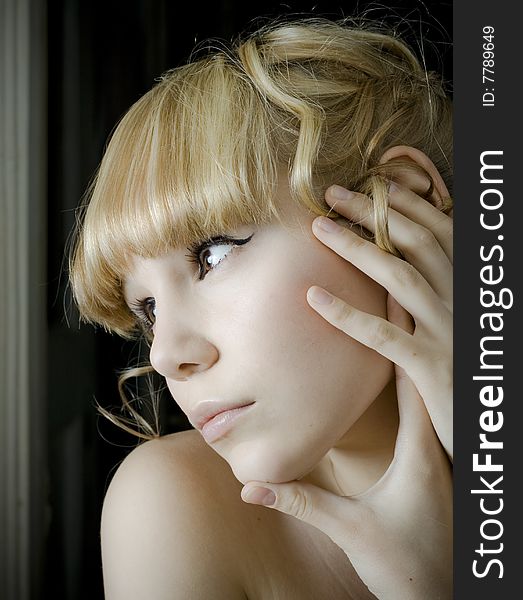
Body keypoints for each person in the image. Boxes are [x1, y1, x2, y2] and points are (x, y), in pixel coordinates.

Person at [69, 16, 453, 599]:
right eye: (146, 309)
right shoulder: (171, 507)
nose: (169, 355)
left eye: (213, 254)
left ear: (391, 209)